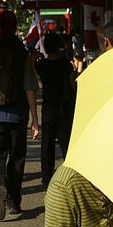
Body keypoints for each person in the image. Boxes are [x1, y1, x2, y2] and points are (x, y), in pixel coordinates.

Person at [0, 10, 39, 220]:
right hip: (18, 115)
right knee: (17, 157)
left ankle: (0, 185)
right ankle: (13, 202)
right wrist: (35, 119)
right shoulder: (22, 52)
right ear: (15, 28)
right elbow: (30, 87)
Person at [34, 31, 76, 186]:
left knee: (47, 144)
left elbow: (32, 66)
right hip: (63, 108)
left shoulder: (42, 65)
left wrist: (35, 56)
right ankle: (71, 174)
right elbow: (73, 84)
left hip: (48, 108)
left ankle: (46, 176)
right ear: (58, 46)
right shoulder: (65, 63)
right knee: (66, 142)